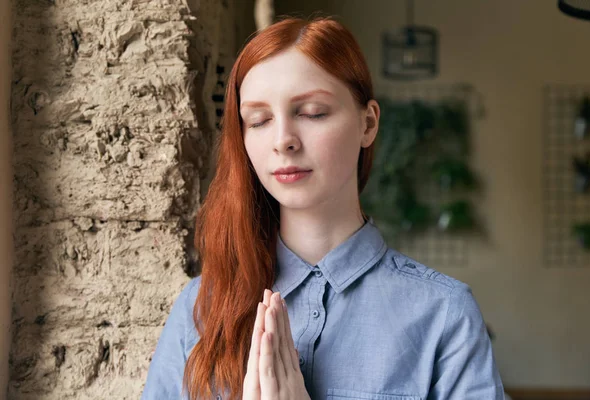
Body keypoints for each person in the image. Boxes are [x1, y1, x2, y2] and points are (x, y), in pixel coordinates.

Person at [141, 16, 505, 400]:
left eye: (313, 112)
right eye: (259, 120)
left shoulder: (444, 314)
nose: (283, 140)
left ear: (368, 123)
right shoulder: (200, 308)